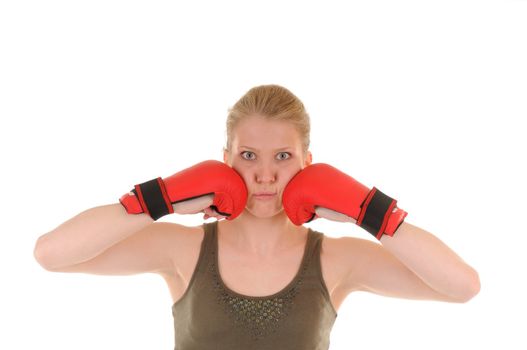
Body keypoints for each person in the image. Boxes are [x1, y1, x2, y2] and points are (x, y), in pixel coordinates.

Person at [33, 84, 480, 349]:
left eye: (282, 156)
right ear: (225, 159)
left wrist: (370, 210)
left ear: (309, 163)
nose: (265, 175)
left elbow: (462, 287)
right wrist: (161, 199)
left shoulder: (336, 260)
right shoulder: (183, 249)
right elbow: (51, 254)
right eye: (249, 155)